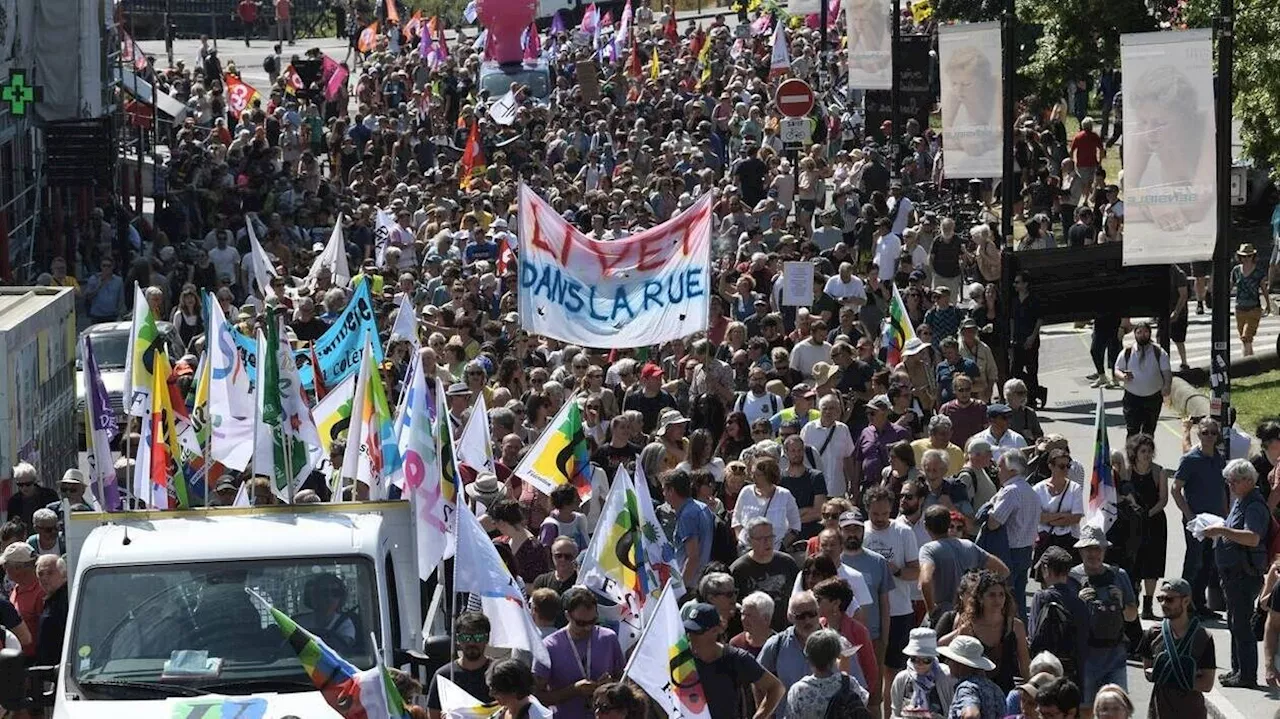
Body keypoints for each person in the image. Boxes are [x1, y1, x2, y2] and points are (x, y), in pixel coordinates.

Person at [1201, 459, 1269, 688]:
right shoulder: (1241, 501)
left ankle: (1247, 675)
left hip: (1244, 574)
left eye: (1233, 481)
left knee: (1241, 625)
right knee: (1234, 622)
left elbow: (1252, 537)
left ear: (1248, 481)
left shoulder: (1254, 506)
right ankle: (1237, 670)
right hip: (1232, 574)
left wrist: (1221, 530)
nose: (1229, 485)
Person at [1069, 526, 1139, 711]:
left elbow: (1132, 617)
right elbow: (1065, 622)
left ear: (1105, 551)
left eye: (1098, 548)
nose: (1094, 553)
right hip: (1085, 658)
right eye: (1089, 549)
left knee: (1118, 708)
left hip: (1115, 656)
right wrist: (1079, 603)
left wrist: (1122, 604)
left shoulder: (1119, 575)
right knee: (1085, 710)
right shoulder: (1072, 578)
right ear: (1080, 551)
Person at [863, 486, 922, 706]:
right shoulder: (860, 532)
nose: (880, 519)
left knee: (894, 672)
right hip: (869, 613)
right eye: (875, 514)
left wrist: (895, 570)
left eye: (885, 514)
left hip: (899, 610)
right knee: (869, 669)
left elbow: (916, 571)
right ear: (867, 509)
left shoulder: (903, 532)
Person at [680, 601, 785, 719]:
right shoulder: (680, 660)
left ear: (715, 630)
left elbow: (776, 688)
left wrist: (760, 716)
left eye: (697, 632)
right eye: (689, 631)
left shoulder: (736, 658)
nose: (691, 636)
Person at [533, 587, 625, 719]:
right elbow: (537, 696)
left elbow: (624, 681)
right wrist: (574, 690)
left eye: (592, 621)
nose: (588, 627)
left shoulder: (608, 638)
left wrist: (611, 686)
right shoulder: (549, 646)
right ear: (567, 616)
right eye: (581, 623)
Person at [935, 569, 1031, 695]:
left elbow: (1024, 664)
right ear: (980, 598)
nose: (997, 600)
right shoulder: (969, 627)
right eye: (992, 595)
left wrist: (1030, 690)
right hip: (975, 690)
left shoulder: (1016, 626)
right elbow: (948, 653)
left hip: (1005, 690)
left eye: (1001, 594)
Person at [1171, 417, 1228, 618]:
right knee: (1193, 561)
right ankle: (1182, 606)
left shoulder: (1219, 458)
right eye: (1205, 432)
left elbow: (1222, 488)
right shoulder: (1190, 459)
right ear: (1198, 434)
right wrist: (1189, 516)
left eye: (1213, 433)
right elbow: (1176, 489)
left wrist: (1226, 514)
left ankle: (1198, 603)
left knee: (1209, 561)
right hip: (1196, 520)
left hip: (1216, 519)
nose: (1209, 436)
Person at [1139, 578, 1216, 717]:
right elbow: (1148, 672)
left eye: (1169, 599)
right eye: (1160, 598)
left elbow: (1207, 684)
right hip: (1159, 712)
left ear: (1186, 601)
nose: (1163, 604)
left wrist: (1169, 676)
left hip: (1192, 713)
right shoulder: (1153, 634)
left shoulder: (1203, 637)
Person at [919, 505, 1008, 621]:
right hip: (969, 614)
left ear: (925, 525)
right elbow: (1003, 571)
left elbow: (925, 581)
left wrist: (931, 610)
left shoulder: (928, 549)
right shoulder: (968, 546)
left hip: (943, 617)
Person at [986, 448, 1040, 620]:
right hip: (1025, 552)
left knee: (1004, 600)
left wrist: (989, 508)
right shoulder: (1031, 491)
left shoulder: (1011, 491)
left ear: (1012, 470)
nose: (997, 471)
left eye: (1000, 467)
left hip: (1008, 553)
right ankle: (1021, 635)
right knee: (1019, 598)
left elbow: (994, 523)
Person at [1029, 546, 1090, 691]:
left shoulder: (1042, 597)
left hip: (1046, 671)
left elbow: (1033, 635)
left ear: (1046, 569)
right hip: (1073, 674)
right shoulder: (1080, 602)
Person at [785, 628, 873, 719]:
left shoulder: (798, 690)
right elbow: (863, 702)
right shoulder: (848, 683)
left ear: (808, 658)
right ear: (836, 656)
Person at [730, 518, 799, 631]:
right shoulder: (739, 569)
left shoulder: (787, 563)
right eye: (761, 539)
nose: (767, 542)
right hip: (753, 632)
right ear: (750, 540)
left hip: (784, 630)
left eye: (770, 537)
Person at [427, 613, 494, 718]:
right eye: (466, 637)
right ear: (458, 639)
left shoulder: (499, 674)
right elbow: (433, 715)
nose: (472, 643)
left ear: (487, 638)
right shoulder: (444, 676)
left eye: (478, 637)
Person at [1113, 321, 1171, 437]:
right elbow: (1117, 370)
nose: (1142, 335)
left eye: (1145, 332)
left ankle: (1146, 454)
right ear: (1135, 334)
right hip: (1132, 398)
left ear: (1150, 333)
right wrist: (1123, 376)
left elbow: (1167, 372)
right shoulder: (1127, 352)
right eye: (1139, 332)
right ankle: (1132, 455)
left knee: (1149, 432)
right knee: (1132, 430)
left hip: (1153, 398)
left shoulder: (1158, 352)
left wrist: (1167, 386)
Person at [663, 469, 716, 588]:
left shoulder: (687, 516)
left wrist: (681, 588)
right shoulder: (702, 507)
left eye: (664, 490)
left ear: (671, 490)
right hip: (701, 581)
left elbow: (693, 557)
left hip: (690, 585)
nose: (663, 494)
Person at [890, 627, 957, 719]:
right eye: (914, 659)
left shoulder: (947, 677)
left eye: (926, 660)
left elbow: (954, 713)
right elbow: (895, 714)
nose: (920, 664)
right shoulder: (901, 679)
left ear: (933, 658)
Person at [801, 393, 858, 499]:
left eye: (832, 408)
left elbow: (848, 458)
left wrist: (852, 483)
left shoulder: (843, 429)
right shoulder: (809, 429)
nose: (828, 411)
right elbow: (801, 457)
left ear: (838, 411)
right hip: (814, 490)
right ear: (819, 410)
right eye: (825, 408)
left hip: (837, 489)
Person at [939, 635, 1005, 719]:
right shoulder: (995, 688)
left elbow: (971, 715)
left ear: (959, 664)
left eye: (950, 660)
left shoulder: (966, 689)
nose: (947, 662)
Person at [2, 542, 41, 658]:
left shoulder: (41, 592)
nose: (3, 569)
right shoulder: (16, 588)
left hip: (33, 661)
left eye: (5, 565)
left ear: (18, 568)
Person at [1230, 243, 1268, 356]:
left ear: (1253, 256)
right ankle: (1251, 363)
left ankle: (1245, 364)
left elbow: (1264, 289)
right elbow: (1230, 287)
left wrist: (1268, 306)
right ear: (1240, 257)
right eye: (1243, 256)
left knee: (1246, 337)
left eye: (1249, 256)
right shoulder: (1236, 271)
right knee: (1245, 339)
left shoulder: (1258, 272)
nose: (1246, 259)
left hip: (1254, 308)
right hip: (1239, 308)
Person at [34, 554, 67, 666]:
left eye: (50, 573)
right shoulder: (52, 601)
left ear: (64, 574)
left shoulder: (66, 600)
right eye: (40, 574)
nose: (44, 578)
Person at [7, 462, 58, 531]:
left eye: (28, 484)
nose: (24, 488)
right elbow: (11, 526)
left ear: (34, 481)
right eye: (20, 485)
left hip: (47, 536)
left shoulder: (49, 495)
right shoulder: (14, 502)